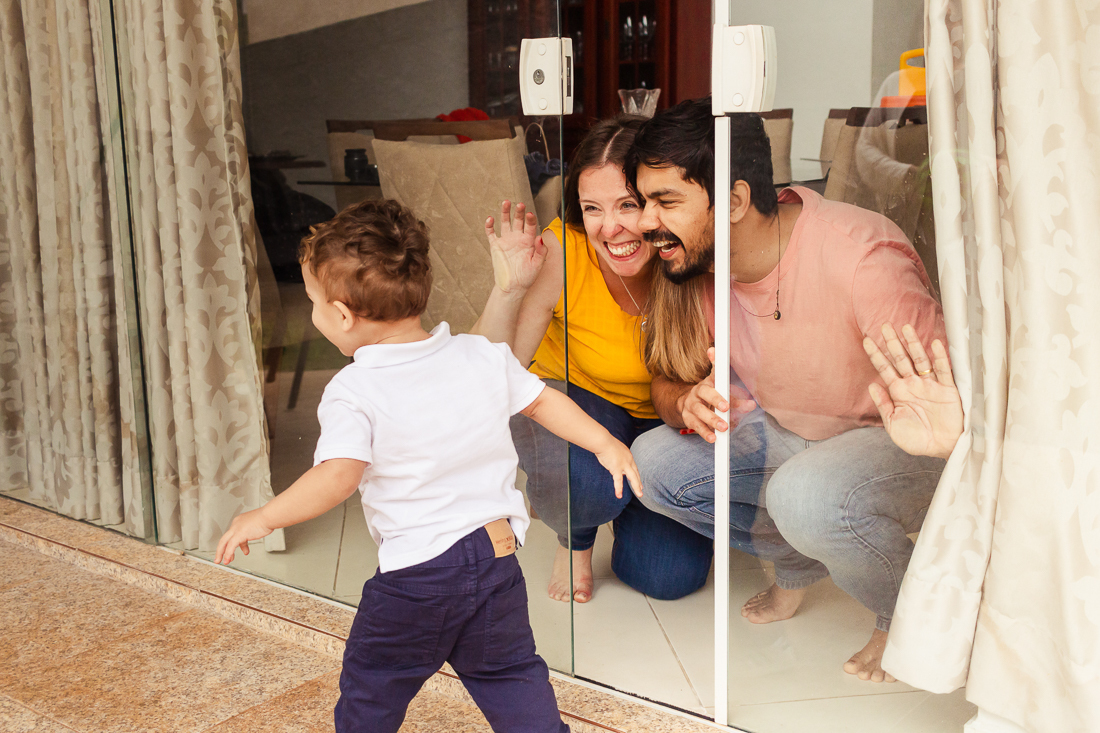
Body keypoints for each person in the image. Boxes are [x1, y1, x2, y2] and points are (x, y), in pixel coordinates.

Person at [214, 199, 646, 732]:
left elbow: (337, 475)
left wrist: (265, 516)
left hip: (416, 577)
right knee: (509, 673)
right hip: (495, 556)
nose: (313, 312)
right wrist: (605, 442)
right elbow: (541, 401)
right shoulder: (479, 355)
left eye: (312, 302)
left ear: (343, 315)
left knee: (373, 684)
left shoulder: (354, 389)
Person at [626, 98, 948, 682]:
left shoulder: (862, 258)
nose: (645, 222)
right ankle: (797, 563)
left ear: (736, 202)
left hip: (901, 442)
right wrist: (685, 400)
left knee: (804, 495)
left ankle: (907, 616)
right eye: (645, 201)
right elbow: (663, 381)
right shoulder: (698, 262)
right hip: (790, 432)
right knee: (651, 464)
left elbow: (947, 410)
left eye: (666, 202)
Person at [471, 116, 714, 603]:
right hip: (575, 402)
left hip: (661, 424)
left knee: (668, 578)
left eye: (628, 204)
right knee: (586, 481)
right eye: (592, 209)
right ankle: (576, 535)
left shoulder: (688, 254)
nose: (610, 228)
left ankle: (620, 499)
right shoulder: (565, 249)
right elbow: (492, 373)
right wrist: (510, 288)